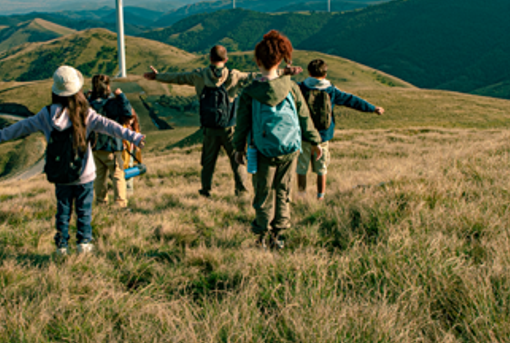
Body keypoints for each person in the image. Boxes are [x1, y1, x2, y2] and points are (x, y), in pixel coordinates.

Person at [0, 65, 145, 255]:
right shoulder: (86, 113)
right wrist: (133, 137)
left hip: (60, 172)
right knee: (84, 210)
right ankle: (84, 242)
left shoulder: (47, 114)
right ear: (78, 90)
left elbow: (22, 126)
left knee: (63, 209)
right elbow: (110, 126)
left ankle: (61, 245)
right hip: (84, 172)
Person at [144, 45, 301, 198]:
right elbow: (256, 75)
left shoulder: (199, 75)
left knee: (208, 162)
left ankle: (206, 190)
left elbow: (178, 78)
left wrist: (157, 76)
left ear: (210, 58)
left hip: (209, 127)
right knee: (237, 161)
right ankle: (242, 191)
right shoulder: (234, 75)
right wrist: (284, 71)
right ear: (226, 59)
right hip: (230, 126)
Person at [233, 31, 321, 250]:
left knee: (263, 193)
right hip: (290, 148)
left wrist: (238, 148)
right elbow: (303, 116)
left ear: (258, 60)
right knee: (283, 191)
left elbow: (242, 123)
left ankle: (261, 236)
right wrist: (315, 141)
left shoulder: (250, 92)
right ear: (281, 60)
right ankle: (278, 236)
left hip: (262, 150)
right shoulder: (291, 87)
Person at [297, 58, 385, 200]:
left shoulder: (300, 88)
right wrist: (372, 108)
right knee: (321, 168)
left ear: (309, 72)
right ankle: (320, 197)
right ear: (325, 74)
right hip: (323, 136)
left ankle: (301, 196)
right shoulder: (331, 90)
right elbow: (352, 100)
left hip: (304, 135)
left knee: (301, 167)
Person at [87, 74, 135, 209]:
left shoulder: (90, 105)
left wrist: (89, 97)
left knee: (99, 178)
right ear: (107, 87)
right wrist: (121, 96)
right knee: (118, 175)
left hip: (95, 147)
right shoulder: (111, 103)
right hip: (112, 146)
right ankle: (120, 204)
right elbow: (127, 112)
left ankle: (101, 204)